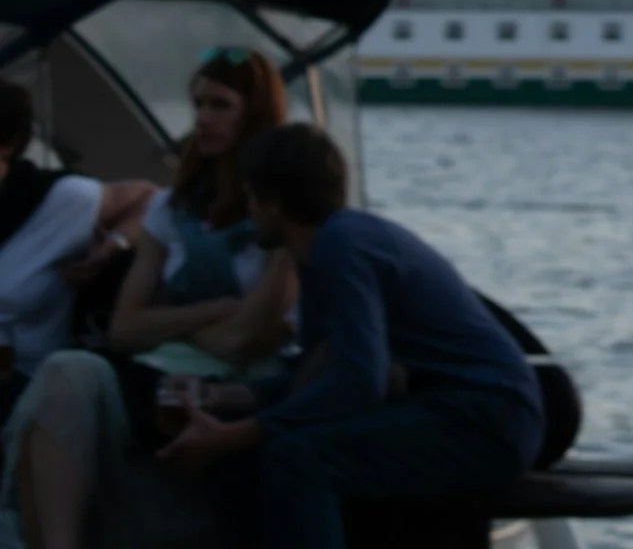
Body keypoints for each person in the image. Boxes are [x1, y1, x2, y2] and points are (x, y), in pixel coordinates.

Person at [155, 123, 543, 549]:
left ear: (275, 204)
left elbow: (360, 381)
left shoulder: (342, 247)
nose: (247, 209)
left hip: (488, 419)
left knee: (299, 459)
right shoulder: (323, 249)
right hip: (455, 409)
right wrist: (220, 397)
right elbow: (320, 374)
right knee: (279, 448)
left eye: (251, 196)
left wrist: (239, 433)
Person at [4, 48, 296, 549]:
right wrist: (214, 312)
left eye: (220, 105)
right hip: (161, 369)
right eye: (198, 103)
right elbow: (124, 329)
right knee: (67, 373)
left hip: (251, 378)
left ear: (256, 113)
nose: (202, 118)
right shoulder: (173, 207)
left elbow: (246, 341)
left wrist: (172, 320)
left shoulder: (281, 208)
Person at [0, 81, 152, 416]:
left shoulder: (54, 201)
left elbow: (151, 198)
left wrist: (112, 247)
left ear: (8, 143)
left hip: (27, 385)